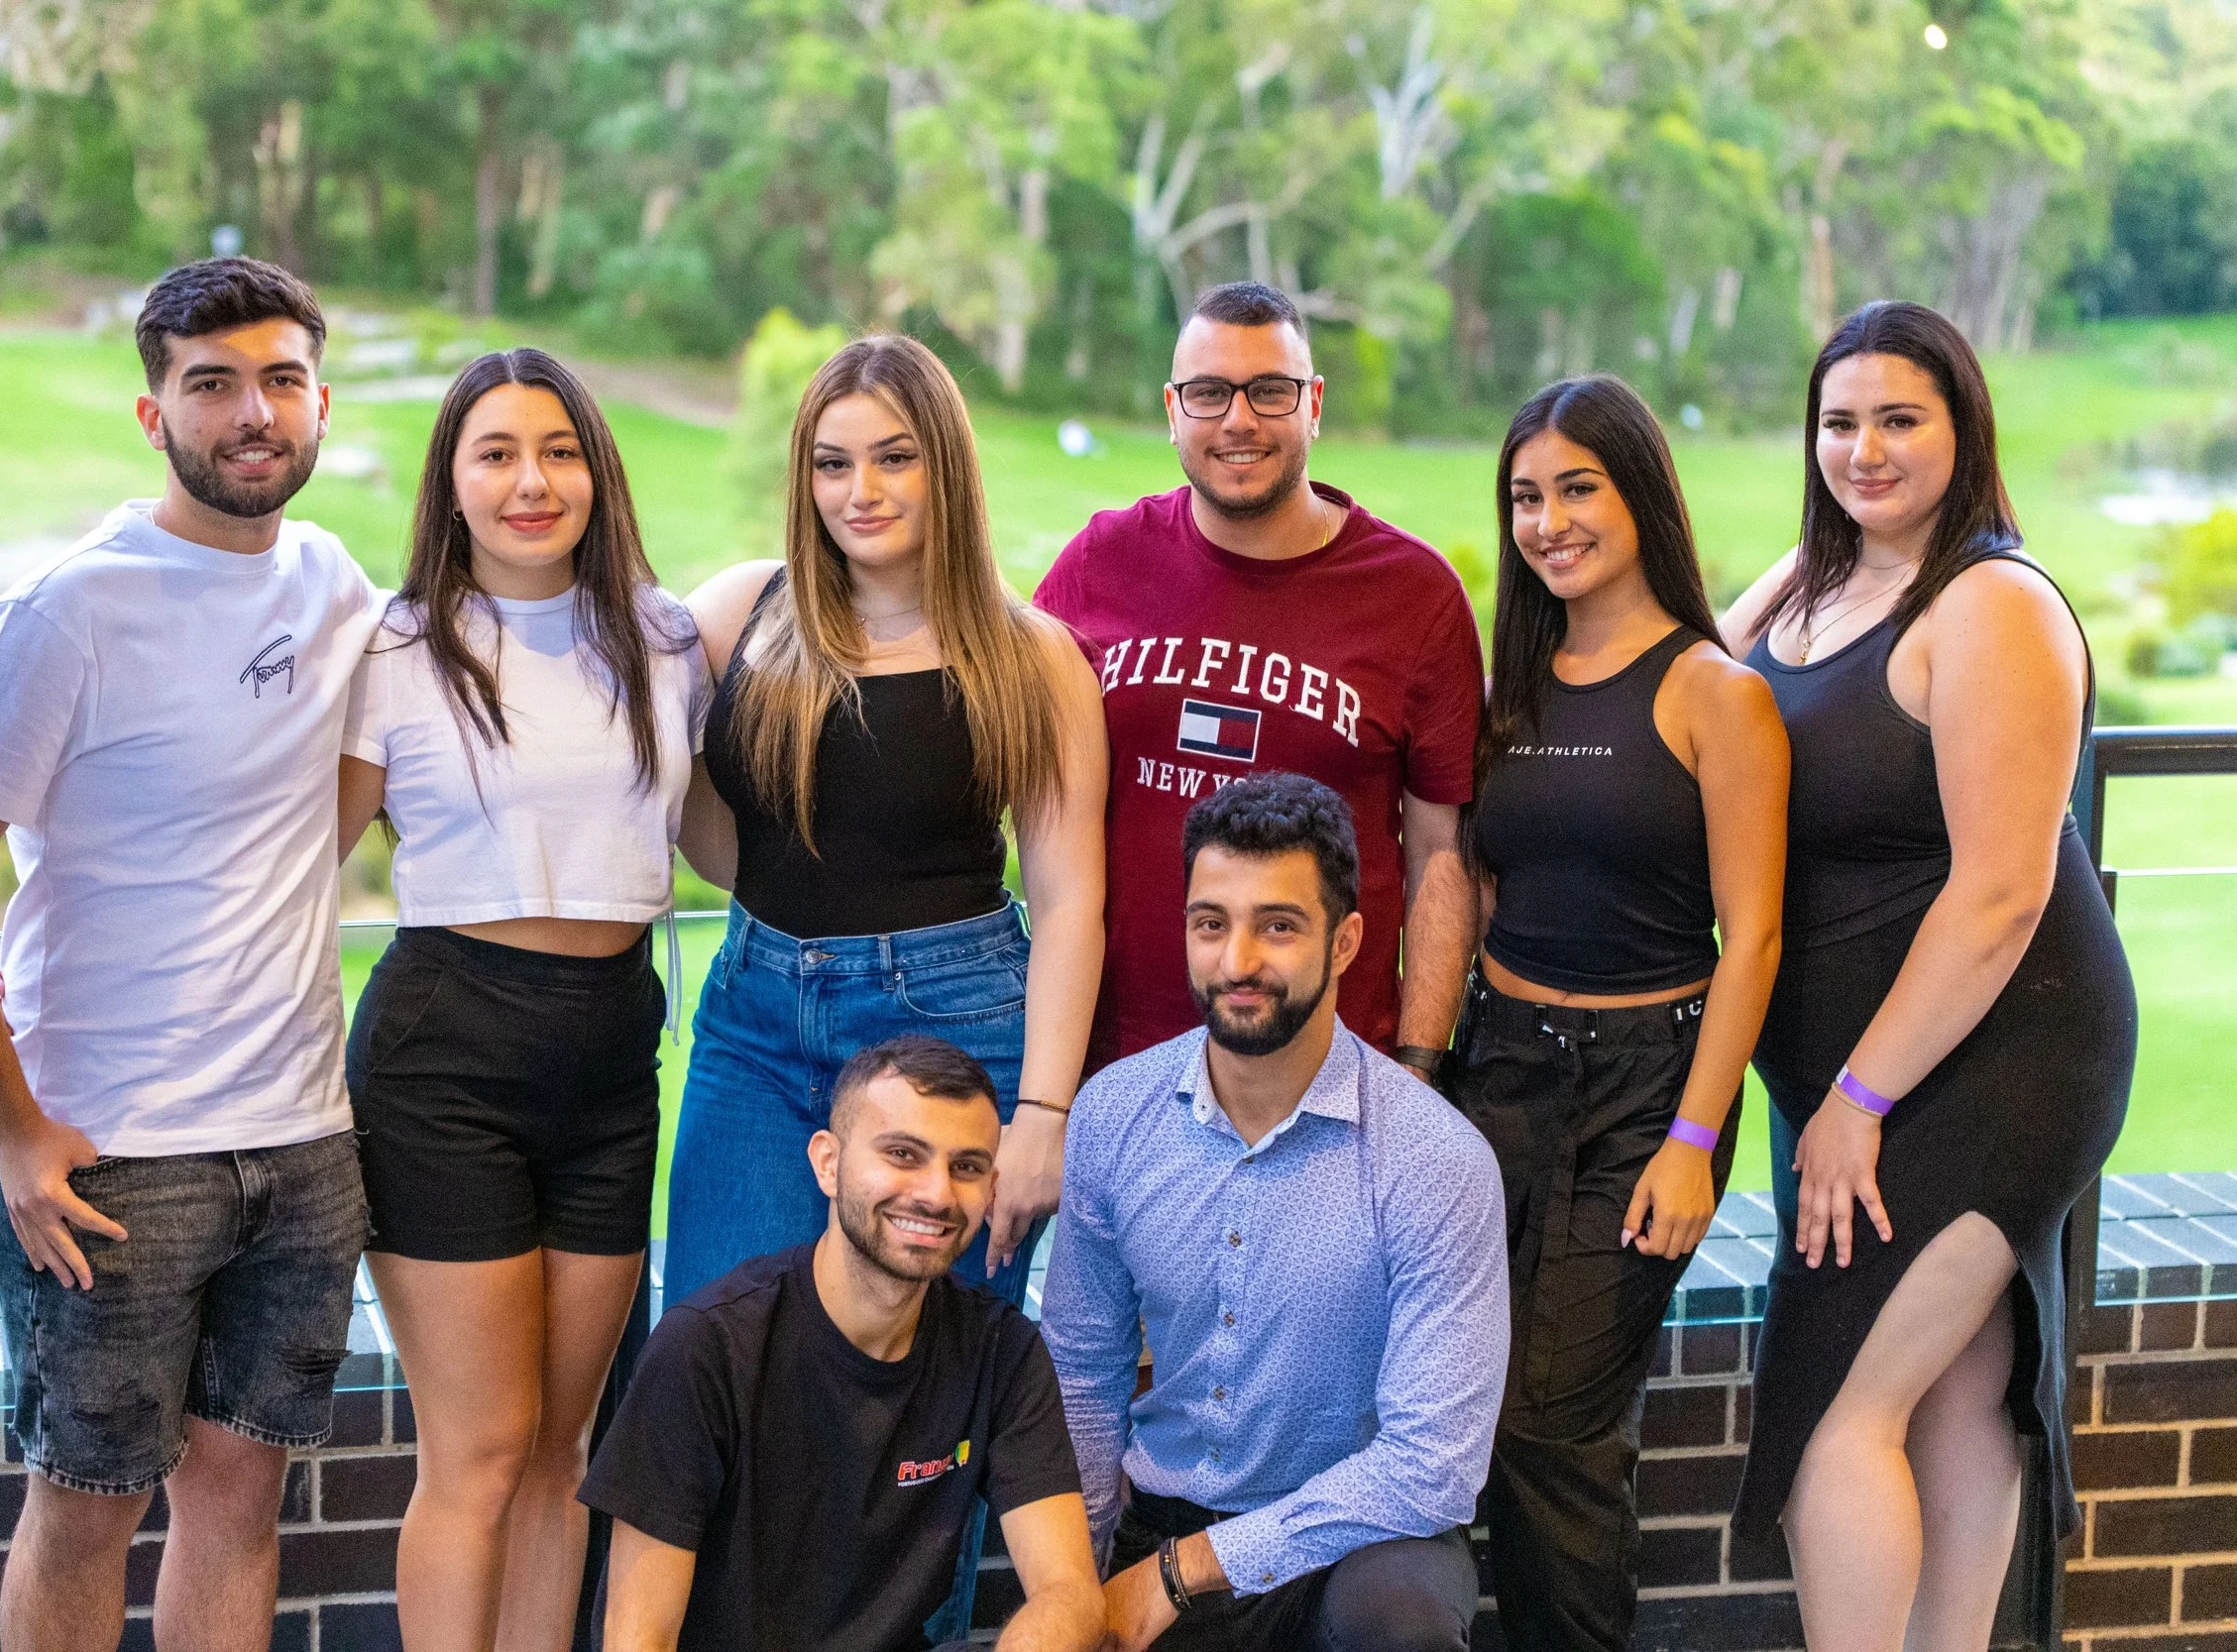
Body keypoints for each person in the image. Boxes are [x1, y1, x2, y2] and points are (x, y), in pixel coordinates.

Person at [0, 258, 380, 1652]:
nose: (254, 412)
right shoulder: (70, 611)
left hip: (304, 1143)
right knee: (86, 1507)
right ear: (153, 411)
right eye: (214, 384)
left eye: (282, 380)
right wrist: (14, 1128)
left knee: (242, 1496)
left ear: (317, 397)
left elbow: (338, 815)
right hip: (116, 1159)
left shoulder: (333, 580)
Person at [1717, 301, 2136, 1652]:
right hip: (1864, 1065)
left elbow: (2004, 892)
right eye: (1841, 420)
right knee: (1953, 1386)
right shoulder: (1807, 582)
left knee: (1841, 1409)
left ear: (1965, 426)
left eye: (1901, 417)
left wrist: (1855, 1097)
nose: (1866, 448)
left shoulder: (1994, 604)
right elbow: (1693, 690)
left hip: (1996, 1057)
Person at [335, 348, 708, 1650]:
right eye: (495, 451)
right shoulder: (393, 646)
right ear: (453, 478)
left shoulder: (664, 639)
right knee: (480, 1450)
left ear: (597, 473)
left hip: (610, 1057)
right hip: (448, 1055)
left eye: (557, 449)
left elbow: (723, 839)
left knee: (564, 1448)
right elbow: (293, 865)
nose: (530, 480)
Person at [664, 331, 1108, 1311]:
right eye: (832, 462)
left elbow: (1070, 901)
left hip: (956, 1030)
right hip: (755, 1023)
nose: (860, 488)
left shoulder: (1029, 659)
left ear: (943, 463)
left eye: (893, 456)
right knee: (713, 1345)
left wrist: (1042, 1113)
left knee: (923, 1383)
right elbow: (708, 829)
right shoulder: (743, 615)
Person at [1451, 376, 1787, 1652]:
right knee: (1482, 1401)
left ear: (1640, 490)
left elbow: (1750, 935)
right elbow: (1485, 884)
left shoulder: (1715, 691)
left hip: (1644, 1084)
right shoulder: (1516, 684)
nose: (1547, 522)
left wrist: (1695, 1140)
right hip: (1498, 1074)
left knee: (1553, 1426)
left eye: (1577, 488)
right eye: (1526, 497)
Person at [1041, 771, 1509, 1652]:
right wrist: (1079, 1591)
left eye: (1278, 925)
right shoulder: (1113, 1115)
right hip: (1161, 1532)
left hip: (1360, 1540)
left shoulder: (1434, 1160)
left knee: (1399, 1624)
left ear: (1346, 942)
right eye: (1211, 922)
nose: (1237, 960)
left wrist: (1189, 1570)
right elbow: (1083, 1381)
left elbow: (1430, 1469)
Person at [1034, 280, 1483, 1084]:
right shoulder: (1099, 562)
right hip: (1119, 1077)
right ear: (1173, 410)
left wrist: (1416, 1064)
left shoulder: (1416, 596)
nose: (1238, 419)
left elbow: (1440, 856)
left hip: (1332, 1080)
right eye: (1209, 393)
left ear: (1313, 404)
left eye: (1269, 391)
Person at [581, 1035, 1106, 1652]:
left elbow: (1069, 1593)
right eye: (904, 1154)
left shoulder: (1000, 1350)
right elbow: (637, 1636)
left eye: (964, 1166)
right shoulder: (707, 1348)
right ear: (827, 1163)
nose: (936, 1193)